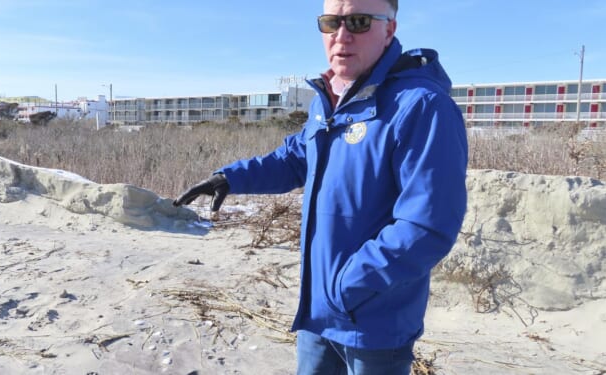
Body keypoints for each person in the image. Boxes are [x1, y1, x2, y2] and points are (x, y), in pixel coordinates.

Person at [173, 0, 468, 373]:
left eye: (359, 22)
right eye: (331, 22)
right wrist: (231, 177)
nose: (341, 36)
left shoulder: (422, 107)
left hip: (375, 327)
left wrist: (347, 286)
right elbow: (295, 157)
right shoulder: (329, 100)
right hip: (318, 315)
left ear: (389, 29)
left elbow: (428, 226)